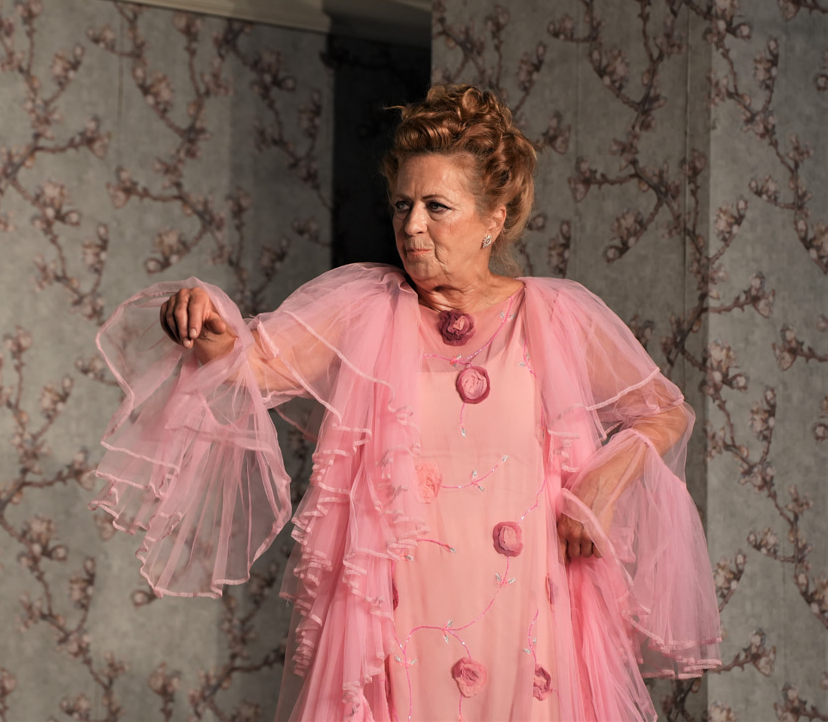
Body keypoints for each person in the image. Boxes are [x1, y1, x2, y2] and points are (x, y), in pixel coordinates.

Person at [90, 85, 721, 721]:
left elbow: (666, 411)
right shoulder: (367, 307)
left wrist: (605, 480)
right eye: (402, 205)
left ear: (494, 219)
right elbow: (247, 366)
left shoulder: (554, 314)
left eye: (436, 206)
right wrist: (204, 321)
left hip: (528, 618)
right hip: (401, 621)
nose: (412, 226)